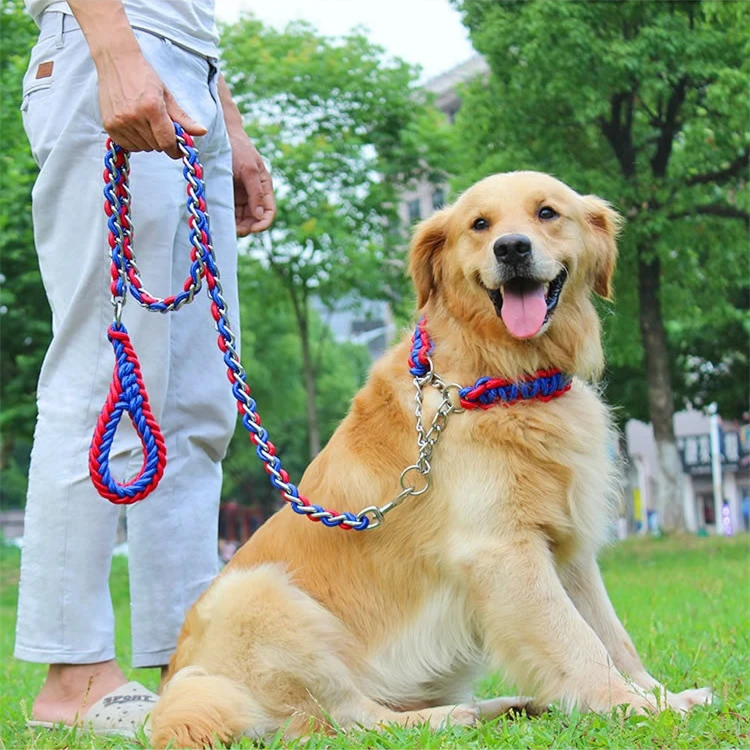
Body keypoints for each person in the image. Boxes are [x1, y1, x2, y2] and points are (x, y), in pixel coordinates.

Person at [15, 0, 275, 733]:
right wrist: (116, 53)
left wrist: (230, 122)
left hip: (186, 65)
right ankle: (74, 675)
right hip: (114, 48)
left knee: (197, 400)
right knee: (108, 370)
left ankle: (187, 662)